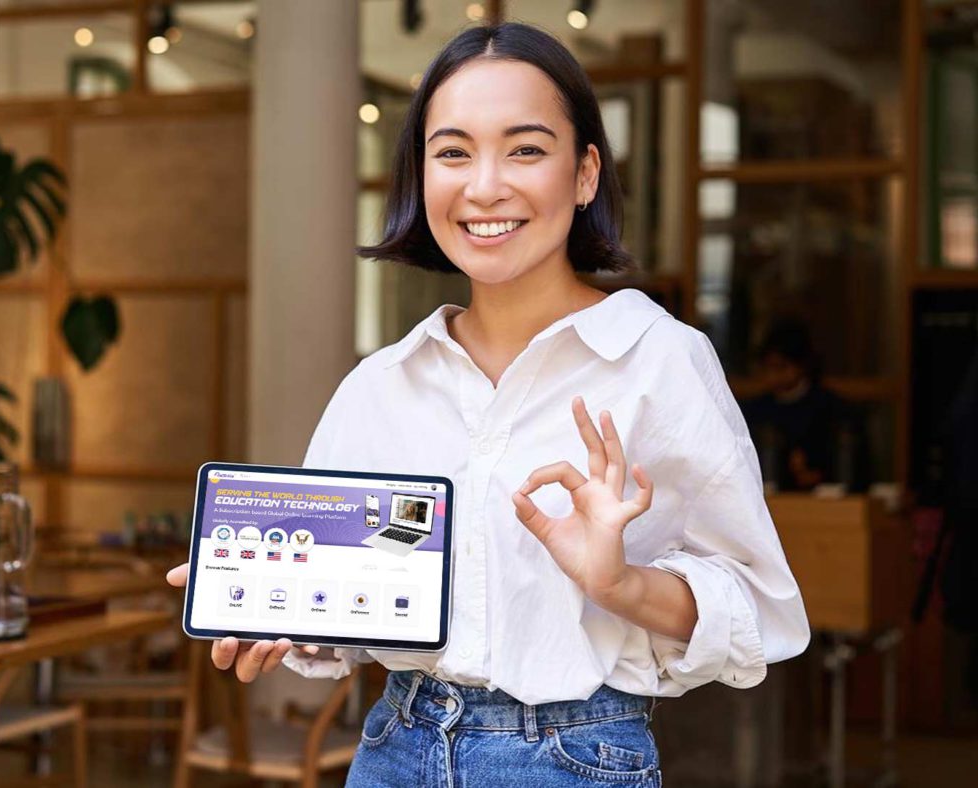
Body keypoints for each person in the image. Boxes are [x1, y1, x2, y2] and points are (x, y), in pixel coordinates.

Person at [166, 22, 808, 786]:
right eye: (453, 151)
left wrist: (619, 584)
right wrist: (278, 606)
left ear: (585, 173)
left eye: (526, 149)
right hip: (393, 750)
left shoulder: (656, 360)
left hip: (574, 758)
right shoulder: (382, 384)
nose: (484, 186)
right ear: (421, 174)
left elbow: (758, 609)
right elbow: (356, 603)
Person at [740, 319, 870, 492]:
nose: (773, 375)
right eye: (768, 367)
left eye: (781, 367)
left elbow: (847, 461)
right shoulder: (756, 411)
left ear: (801, 365)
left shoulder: (831, 408)